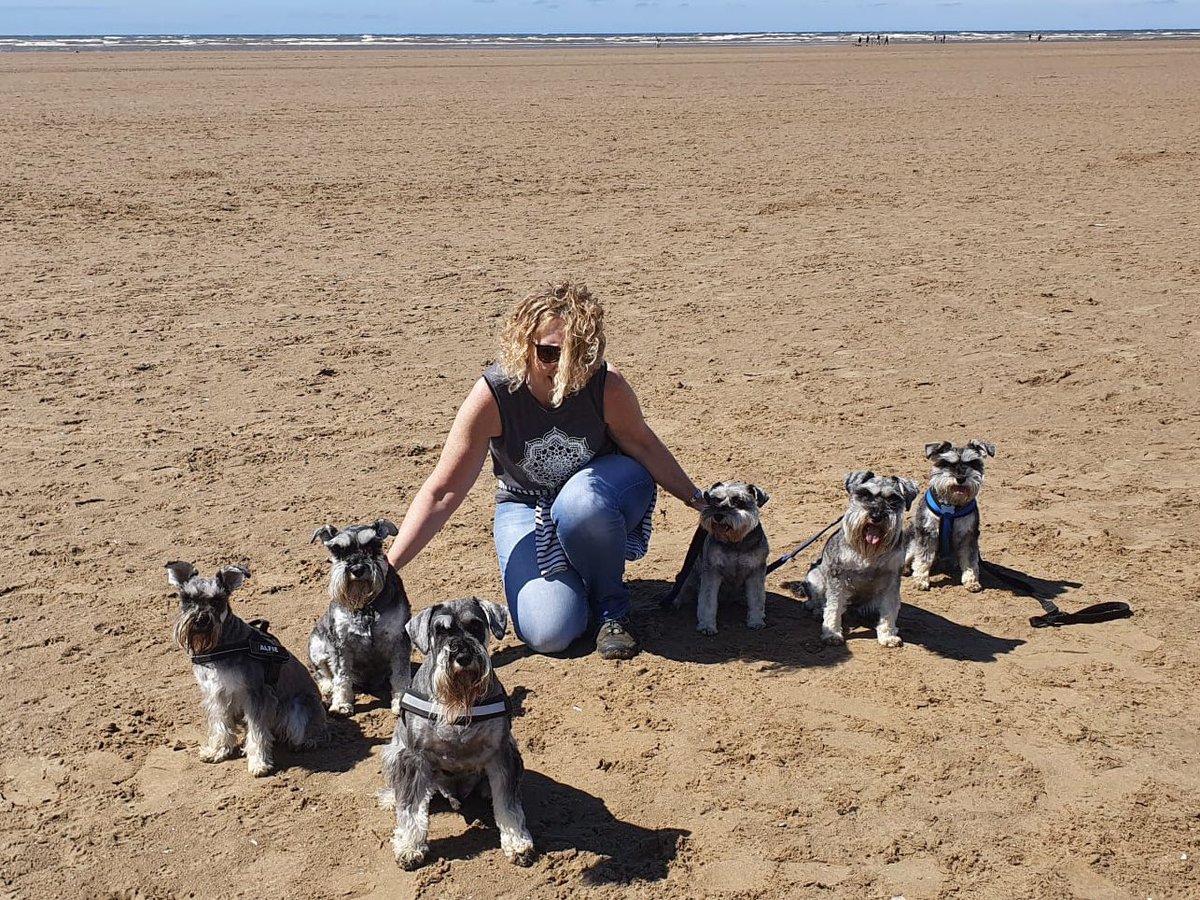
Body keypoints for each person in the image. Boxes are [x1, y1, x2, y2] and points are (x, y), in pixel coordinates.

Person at [386, 280, 706, 660]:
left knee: (580, 503)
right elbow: (443, 491)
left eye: (577, 354)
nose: (563, 368)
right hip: (525, 502)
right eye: (550, 353)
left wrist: (700, 502)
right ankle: (581, 579)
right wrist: (387, 568)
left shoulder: (606, 385)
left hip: (607, 490)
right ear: (524, 344)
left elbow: (644, 445)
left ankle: (612, 609)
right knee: (549, 632)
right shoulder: (494, 395)